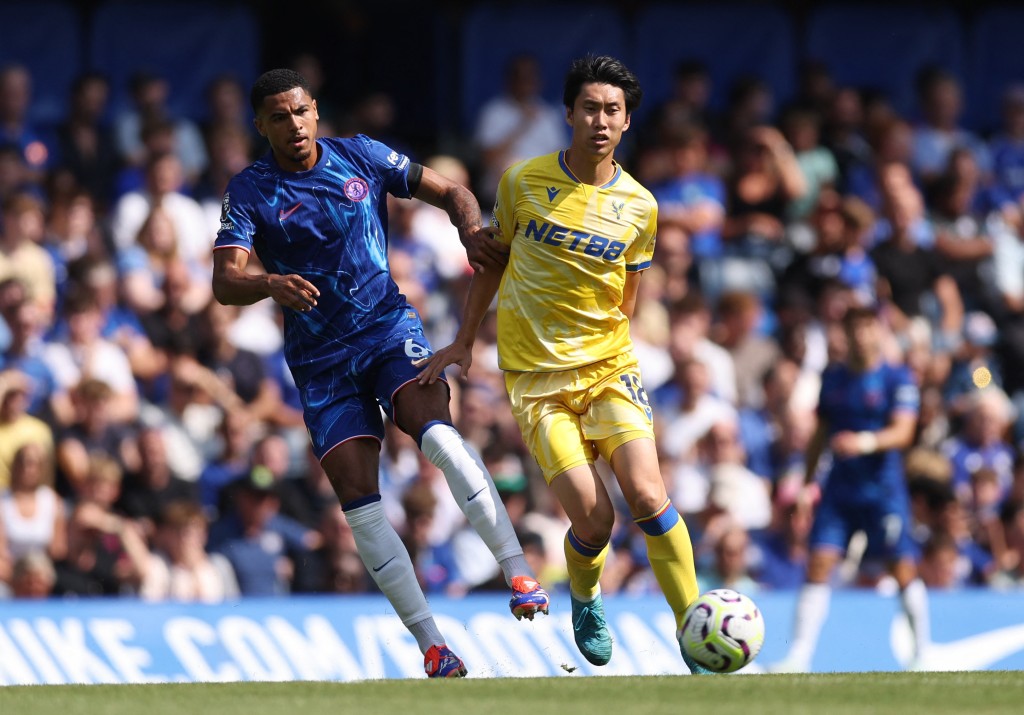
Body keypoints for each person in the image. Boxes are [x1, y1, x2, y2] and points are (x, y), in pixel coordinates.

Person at [210, 68, 549, 679]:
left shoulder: (360, 156)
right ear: (261, 126)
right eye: (279, 118)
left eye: (301, 111)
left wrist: (470, 228)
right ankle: (433, 646)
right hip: (320, 366)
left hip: (388, 330)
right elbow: (224, 280)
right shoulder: (249, 190)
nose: (294, 125)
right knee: (361, 504)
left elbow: (451, 190)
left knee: (439, 438)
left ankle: (518, 570)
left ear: (316, 111)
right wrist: (268, 283)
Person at [418, 55, 710, 675]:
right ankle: (585, 593)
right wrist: (465, 340)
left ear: (627, 122)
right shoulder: (522, 182)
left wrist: (603, 345)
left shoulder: (641, 207)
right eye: (589, 108)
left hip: (608, 368)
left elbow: (627, 300)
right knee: (595, 518)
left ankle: (694, 630)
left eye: (612, 110)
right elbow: (491, 263)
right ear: (569, 113)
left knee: (649, 494)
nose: (600, 120)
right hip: (535, 381)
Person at [770, 305, 931, 673]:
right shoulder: (834, 379)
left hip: (883, 491)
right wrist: (807, 485)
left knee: (901, 566)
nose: (861, 335)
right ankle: (798, 657)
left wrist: (865, 442)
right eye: (854, 328)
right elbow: (820, 437)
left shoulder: (896, 378)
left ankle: (923, 652)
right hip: (840, 491)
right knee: (819, 562)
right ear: (844, 333)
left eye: (868, 327)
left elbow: (904, 431)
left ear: (879, 331)